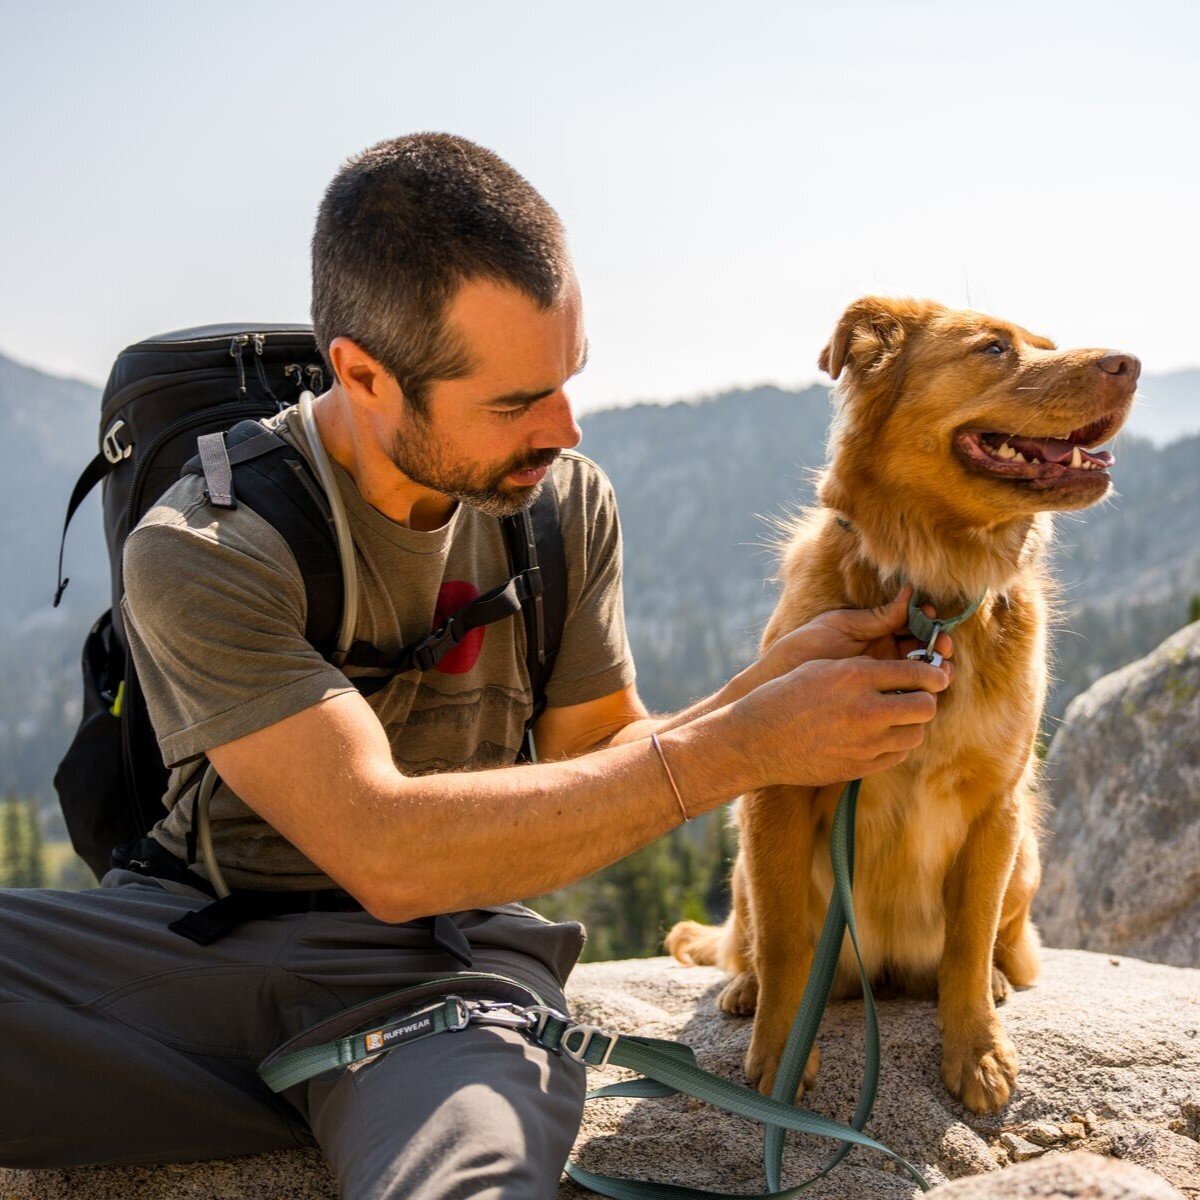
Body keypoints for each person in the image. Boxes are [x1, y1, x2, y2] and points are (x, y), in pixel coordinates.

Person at [0, 133, 952, 1199]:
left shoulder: (561, 509)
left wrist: (766, 695)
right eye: (512, 403)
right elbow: (386, 849)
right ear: (361, 373)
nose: (565, 429)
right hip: (193, 951)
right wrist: (748, 743)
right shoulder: (209, 546)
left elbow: (604, 752)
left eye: (566, 377)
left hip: (441, 981)